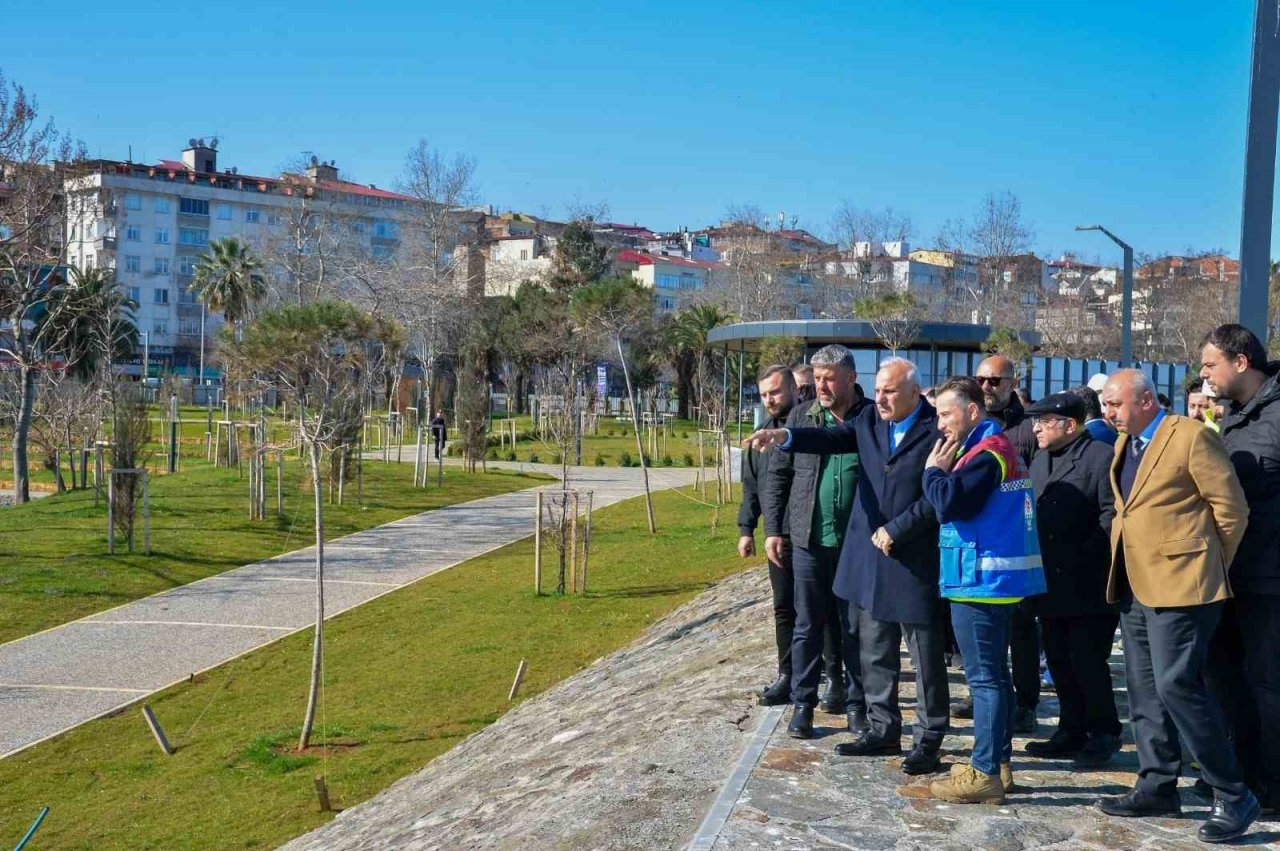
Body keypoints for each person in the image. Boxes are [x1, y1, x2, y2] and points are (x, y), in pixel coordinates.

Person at [745, 357, 949, 774]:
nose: (881, 398)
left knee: (924, 656)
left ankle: (928, 740)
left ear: (914, 391)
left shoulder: (937, 429)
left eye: (890, 391)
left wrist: (898, 529)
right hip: (870, 554)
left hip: (915, 557)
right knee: (873, 648)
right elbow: (832, 438)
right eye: (878, 390)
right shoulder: (870, 420)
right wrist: (786, 435)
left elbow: (937, 495)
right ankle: (882, 728)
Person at [1096, 369, 1258, 844]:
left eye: (1115, 403)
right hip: (1135, 585)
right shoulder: (1125, 443)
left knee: (1177, 686)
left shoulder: (1188, 436)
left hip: (1184, 587)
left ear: (1146, 400)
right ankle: (1156, 784)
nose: (1107, 412)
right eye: (1106, 404)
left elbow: (1231, 510)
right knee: (1144, 690)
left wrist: (1205, 565)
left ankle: (1233, 793)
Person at [922, 377, 1045, 804]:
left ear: (972, 411)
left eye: (945, 413)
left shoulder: (986, 453)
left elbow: (950, 502)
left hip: (981, 581)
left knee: (985, 681)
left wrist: (932, 473)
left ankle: (986, 771)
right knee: (996, 678)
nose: (940, 424)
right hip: (992, 579)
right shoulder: (990, 446)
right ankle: (998, 762)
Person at [762, 345, 867, 738]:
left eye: (830, 378)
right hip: (808, 538)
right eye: (817, 377)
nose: (821, 385)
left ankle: (857, 705)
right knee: (807, 624)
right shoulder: (800, 417)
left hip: (856, 542)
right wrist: (774, 529)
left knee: (853, 626)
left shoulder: (870, 417)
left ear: (851, 378)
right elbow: (779, 477)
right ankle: (803, 704)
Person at [1199, 324, 1280, 813]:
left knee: (1268, 682)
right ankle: (1241, 775)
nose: (1204, 374)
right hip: (1229, 571)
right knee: (1224, 677)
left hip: (1272, 577)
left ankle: (1272, 782)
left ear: (1241, 362)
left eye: (1210, 364)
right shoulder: (1231, 417)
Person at [1021, 393, 1121, 768]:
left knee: (1087, 660)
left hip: (1086, 581)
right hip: (1049, 580)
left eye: (1043, 422)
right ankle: (1070, 728)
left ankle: (1104, 731)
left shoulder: (1098, 457)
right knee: (1059, 658)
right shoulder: (1041, 458)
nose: (1036, 429)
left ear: (1069, 425)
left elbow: (1112, 514)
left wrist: (1085, 553)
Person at [964, 356, 1039, 735]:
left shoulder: (1026, 428)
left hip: (1013, 541)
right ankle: (985, 695)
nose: (987, 386)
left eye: (994, 380)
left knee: (1022, 627)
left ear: (1011, 382)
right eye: (981, 380)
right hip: (977, 541)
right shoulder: (970, 423)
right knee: (982, 630)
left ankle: (1026, 701)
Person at [737, 365, 800, 706]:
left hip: (809, 532)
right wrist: (746, 529)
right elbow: (752, 487)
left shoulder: (807, 426)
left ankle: (833, 678)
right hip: (776, 535)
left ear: (792, 387)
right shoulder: (759, 436)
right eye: (763, 395)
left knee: (820, 610)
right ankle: (787, 674)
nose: (770, 399)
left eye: (775, 392)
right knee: (783, 607)